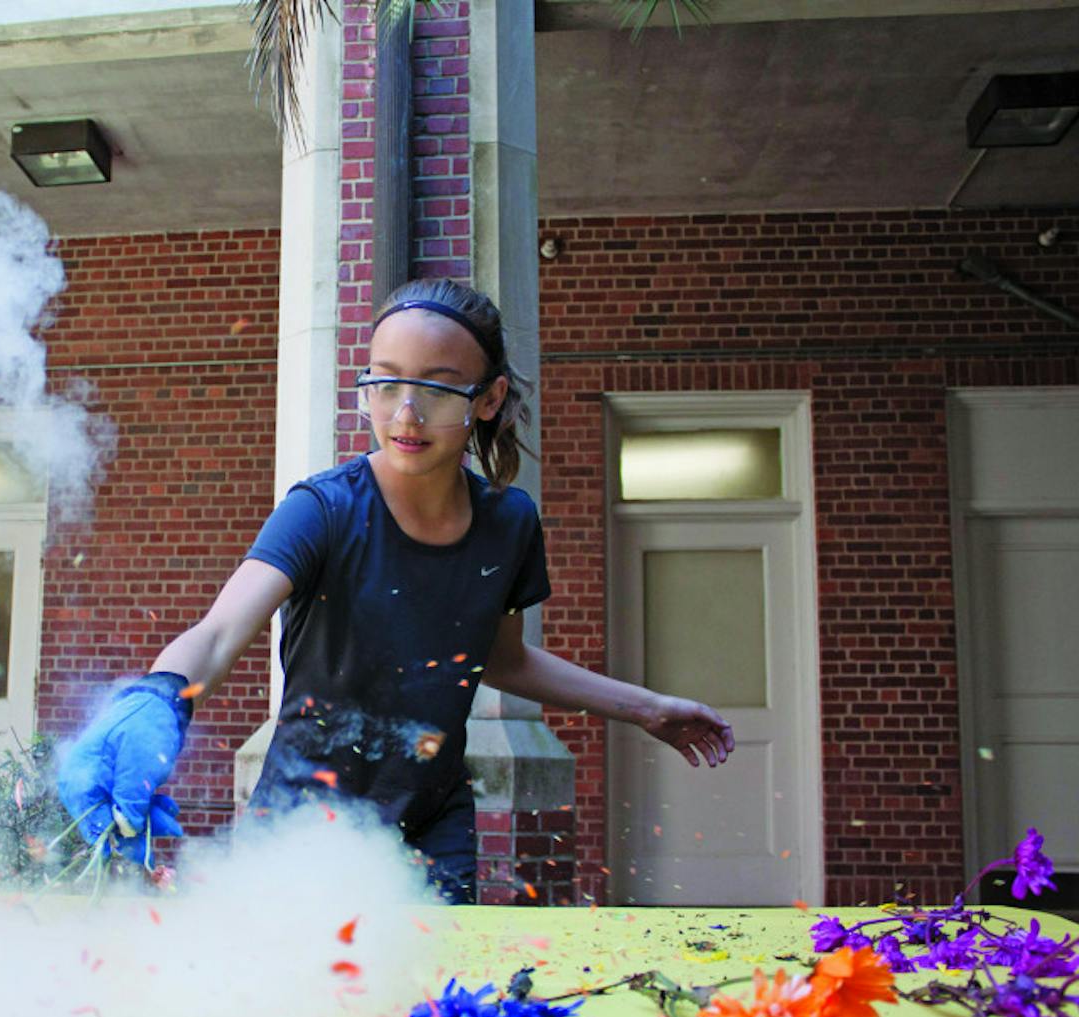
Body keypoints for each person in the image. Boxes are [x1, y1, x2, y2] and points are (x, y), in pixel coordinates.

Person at [58, 278, 734, 904]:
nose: (406, 414)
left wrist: (645, 707)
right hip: (297, 826)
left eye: (437, 389)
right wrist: (156, 696)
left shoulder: (510, 523)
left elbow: (502, 658)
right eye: (385, 384)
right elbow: (219, 631)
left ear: (489, 398)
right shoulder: (321, 509)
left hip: (432, 829)